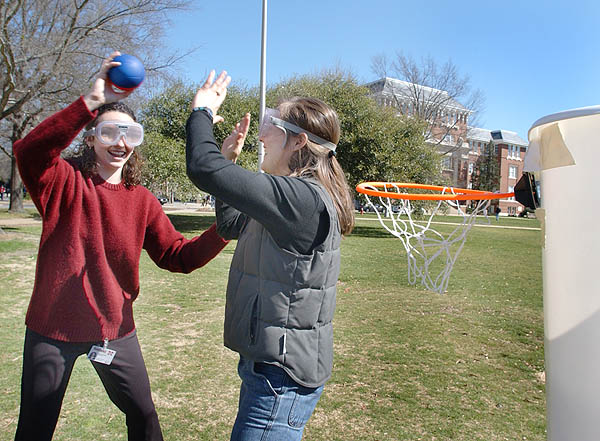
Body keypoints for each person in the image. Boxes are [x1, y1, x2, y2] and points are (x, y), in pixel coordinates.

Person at [12, 53, 229, 441]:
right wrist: (89, 102)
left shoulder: (142, 199)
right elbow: (29, 151)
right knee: (34, 428)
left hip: (114, 330)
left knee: (144, 416)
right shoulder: (61, 181)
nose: (121, 143)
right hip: (52, 331)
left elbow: (177, 257)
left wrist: (223, 230)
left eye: (130, 134)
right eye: (109, 132)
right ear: (90, 136)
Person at [185, 70, 355, 440]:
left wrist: (200, 112)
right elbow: (232, 224)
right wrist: (228, 161)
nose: (261, 135)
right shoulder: (291, 196)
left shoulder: (303, 199)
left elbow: (202, 166)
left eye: (270, 124)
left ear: (299, 142)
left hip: (281, 377)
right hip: (270, 369)